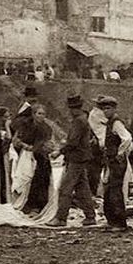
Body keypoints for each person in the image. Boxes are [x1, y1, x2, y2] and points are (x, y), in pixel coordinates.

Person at [7, 86, 55, 216]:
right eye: (38, 113)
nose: (41, 116)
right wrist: (25, 146)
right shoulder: (26, 125)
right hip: (28, 156)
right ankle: (27, 205)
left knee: (42, 179)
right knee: (27, 179)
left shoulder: (46, 128)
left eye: (43, 114)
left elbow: (50, 142)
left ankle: (39, 205)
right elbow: (16, 140)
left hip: (41, 157)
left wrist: (48, 148)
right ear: (33, 114)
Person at [57, 93, 99, 226]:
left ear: (72, 108)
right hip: (82, 157)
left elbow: (73, 142)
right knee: (83, 189)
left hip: (76, 158)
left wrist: (59, 151)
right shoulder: (83, 119)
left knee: (66, 188)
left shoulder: (78, 121)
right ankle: (90, 216)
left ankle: (61, 218)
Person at [97, 95, 133, 228]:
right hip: (111, 161)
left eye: (108, 108)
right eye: (104, 109)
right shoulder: (110, 122)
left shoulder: (116, 123)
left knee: (115, 191)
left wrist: (120, 153)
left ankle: (119, 222)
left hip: (116, 162)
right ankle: (112, 220)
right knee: (109, 190)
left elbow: (127, 138)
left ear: (114, 109)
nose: (105, 111)